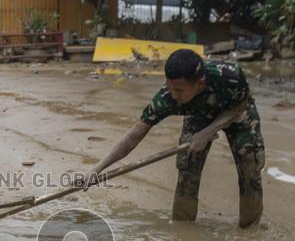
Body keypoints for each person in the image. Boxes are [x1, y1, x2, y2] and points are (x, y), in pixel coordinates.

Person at [86, 49, 265, 228]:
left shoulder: (230, 76)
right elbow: (134, 135)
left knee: (250, 166)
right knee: (188, 166)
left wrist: (208, 132)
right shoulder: (166, 98)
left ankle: (249, 232)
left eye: (179, 90)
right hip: (198, 114)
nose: (173, 95)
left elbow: (238, 108)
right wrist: (97, 169)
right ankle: (183, 230)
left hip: (236, 112)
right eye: (169, 87)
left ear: (200, 83)